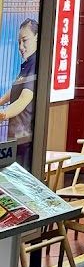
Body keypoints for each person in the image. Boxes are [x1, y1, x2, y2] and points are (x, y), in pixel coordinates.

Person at [0, 19, 38, 170]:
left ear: (37, 37)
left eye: (25, 40)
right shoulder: (27, 64)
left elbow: (24, 98)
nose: (21, 47)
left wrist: (3, 114)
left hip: (25, 138)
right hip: (15, 136)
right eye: (19, 42)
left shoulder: (36, 64)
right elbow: (15, 90)